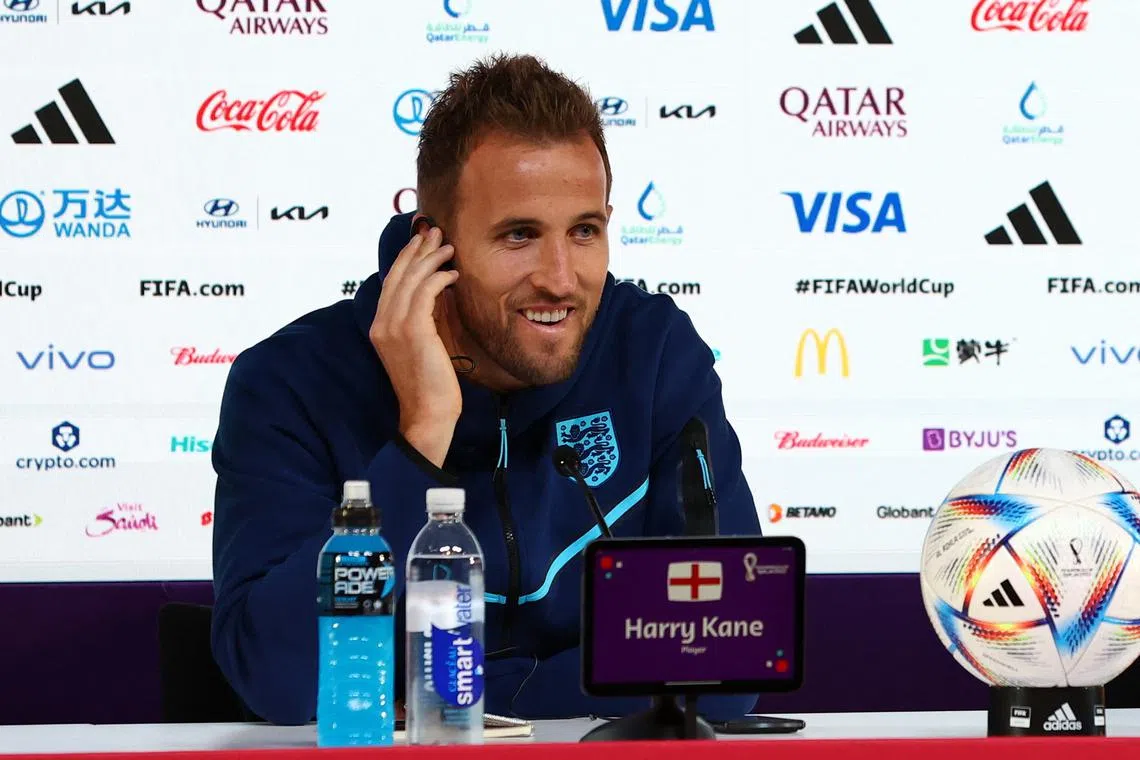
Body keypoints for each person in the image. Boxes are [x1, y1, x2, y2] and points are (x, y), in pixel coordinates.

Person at [210, 53, 761, 726]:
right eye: (519, 235)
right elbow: (279, 681)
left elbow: (724, 660)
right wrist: (420, 437)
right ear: (433, 246)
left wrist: (453, 700)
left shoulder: (654, 354)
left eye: (584, 231)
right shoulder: (290, 382)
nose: (560, 278)